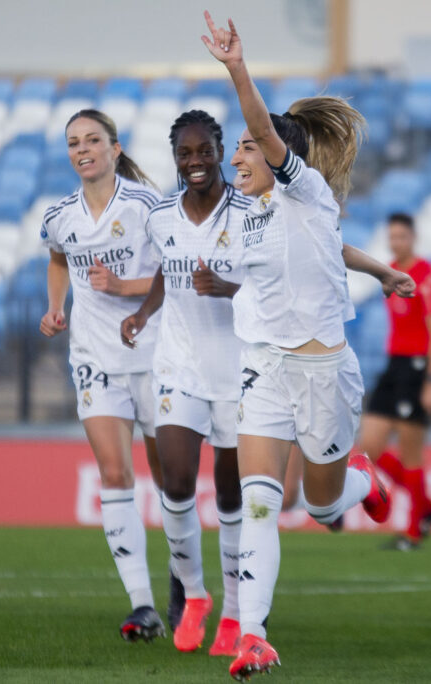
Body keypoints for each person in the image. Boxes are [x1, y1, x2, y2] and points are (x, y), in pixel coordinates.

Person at [200, 12, 415, 679]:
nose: (235, 155)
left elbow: (270, 137)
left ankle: (364, 481)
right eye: (235, 147)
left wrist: (237, 68)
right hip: (263, 370)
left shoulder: (307, 190)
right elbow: (326, 252)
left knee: (321, 508)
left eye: (244, 146)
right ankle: (255, 637)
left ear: (274, 154)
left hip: (324, 372)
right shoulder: (249, 215)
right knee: (263, 501)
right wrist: (378, 270)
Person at [121, 109, 252, 656]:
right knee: (175, 481)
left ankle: (236, 612)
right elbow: (163, 273)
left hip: (239, 370)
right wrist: (146, 313)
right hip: (178, 365)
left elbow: (272, 285)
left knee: (228, 494)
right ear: (174, 158)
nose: (194, 161)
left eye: (204, 150)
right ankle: (194, 596)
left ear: (220, 151)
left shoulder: (251, 213)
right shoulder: (161, 217)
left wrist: (228, 287)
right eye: (185, 153)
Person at [39, 109, 167, 641]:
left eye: (93, 139)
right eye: (74, 142)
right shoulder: (59, 215)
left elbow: (171, 275)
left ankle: (189, 588)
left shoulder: (146, 206)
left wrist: (124, 290)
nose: (82, 149)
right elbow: (58, 258)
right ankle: (144, 606)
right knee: (115, 475)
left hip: (156, 353)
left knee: (172, 485)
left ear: (115, 149)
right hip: (94, 356)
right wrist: (55, 307)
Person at [360, 212, 431, 551]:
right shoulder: (391, 273)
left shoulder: (427, 276)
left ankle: (413, 531)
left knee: (411, 453)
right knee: (371, 446)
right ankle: (426, 506)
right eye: (392, 237)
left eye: (402, 237)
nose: (397, 242)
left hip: (417, 367)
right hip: (393, 364)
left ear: (413, 237)